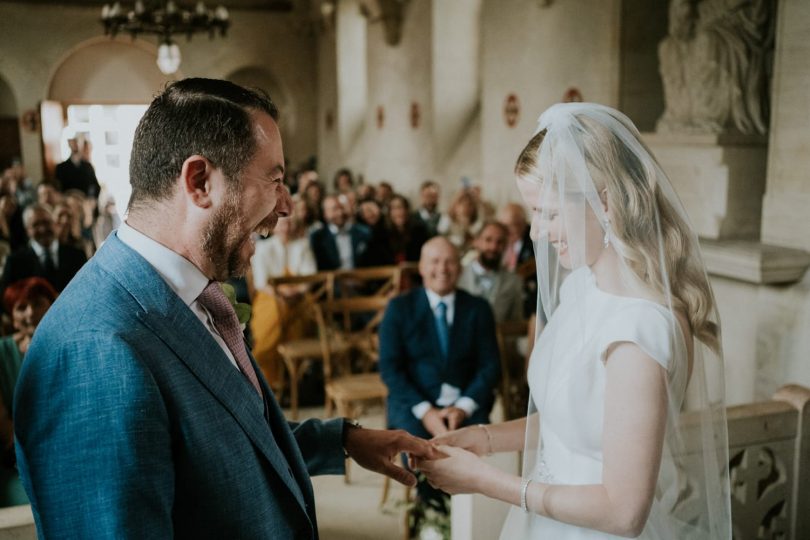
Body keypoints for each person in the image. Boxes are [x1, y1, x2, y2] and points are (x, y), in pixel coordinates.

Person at [13, 78, 440, 538]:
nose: (287, 206)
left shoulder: (190, 294)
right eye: (274, 180)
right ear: (199, 181)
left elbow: (220, 443)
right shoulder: (95, 350)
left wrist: (342, 439)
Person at [417, 103, 731, 539]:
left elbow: (624, 513)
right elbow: (574, 422)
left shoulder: (637, 333)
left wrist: (485, 481)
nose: (535, 233)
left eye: (547, 213)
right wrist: (484, 438)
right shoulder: (579, 287)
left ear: (603, 202)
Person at [0, 277, 56, 507]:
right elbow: (2, 422)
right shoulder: (2, 352)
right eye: (22, 307)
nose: (31, 312)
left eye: (38, 303)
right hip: (17, 459)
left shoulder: (66, 344)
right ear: (12, 317)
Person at [250, 215, 317, 387]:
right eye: (282, 224)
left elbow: (309, 277)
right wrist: (281, 294)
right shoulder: (263, 247)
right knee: (273, 315)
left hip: (299, 297)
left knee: (307, 313)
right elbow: (261, 282)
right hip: (271, 297)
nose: (285, 228)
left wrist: (295, 291)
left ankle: (296, 381)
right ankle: (264, 368)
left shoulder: (303, 245)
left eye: (289, 223)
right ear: (273, 226)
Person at [0, 203, 87, 297]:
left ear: (54, 223)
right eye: (36, 225)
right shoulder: (15, 262)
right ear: (27, 230)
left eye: (46, 222)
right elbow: (7, 298)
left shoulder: (77, 256)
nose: (42, 229)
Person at [457, 221, 524, 324]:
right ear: (477, 241)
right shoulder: (458, 275)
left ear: (506, 245)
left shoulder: (514, 281)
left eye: (499, 242)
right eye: (488, 240)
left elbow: (516, 323)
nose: (493, 247)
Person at [309, 194, 371, 271]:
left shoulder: (364, 233)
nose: (340, 213)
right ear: (325, 214)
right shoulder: (317, 237)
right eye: (335, 209)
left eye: (342, 208)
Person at [54, 136, 100, 200]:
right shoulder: (61, 168)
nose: (76, 143)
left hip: (85, 203)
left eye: (77, 141)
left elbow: (94, 186)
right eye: (73, 141)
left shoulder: (88, 166)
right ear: (69, 143)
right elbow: (58, 189)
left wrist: (91, 200)